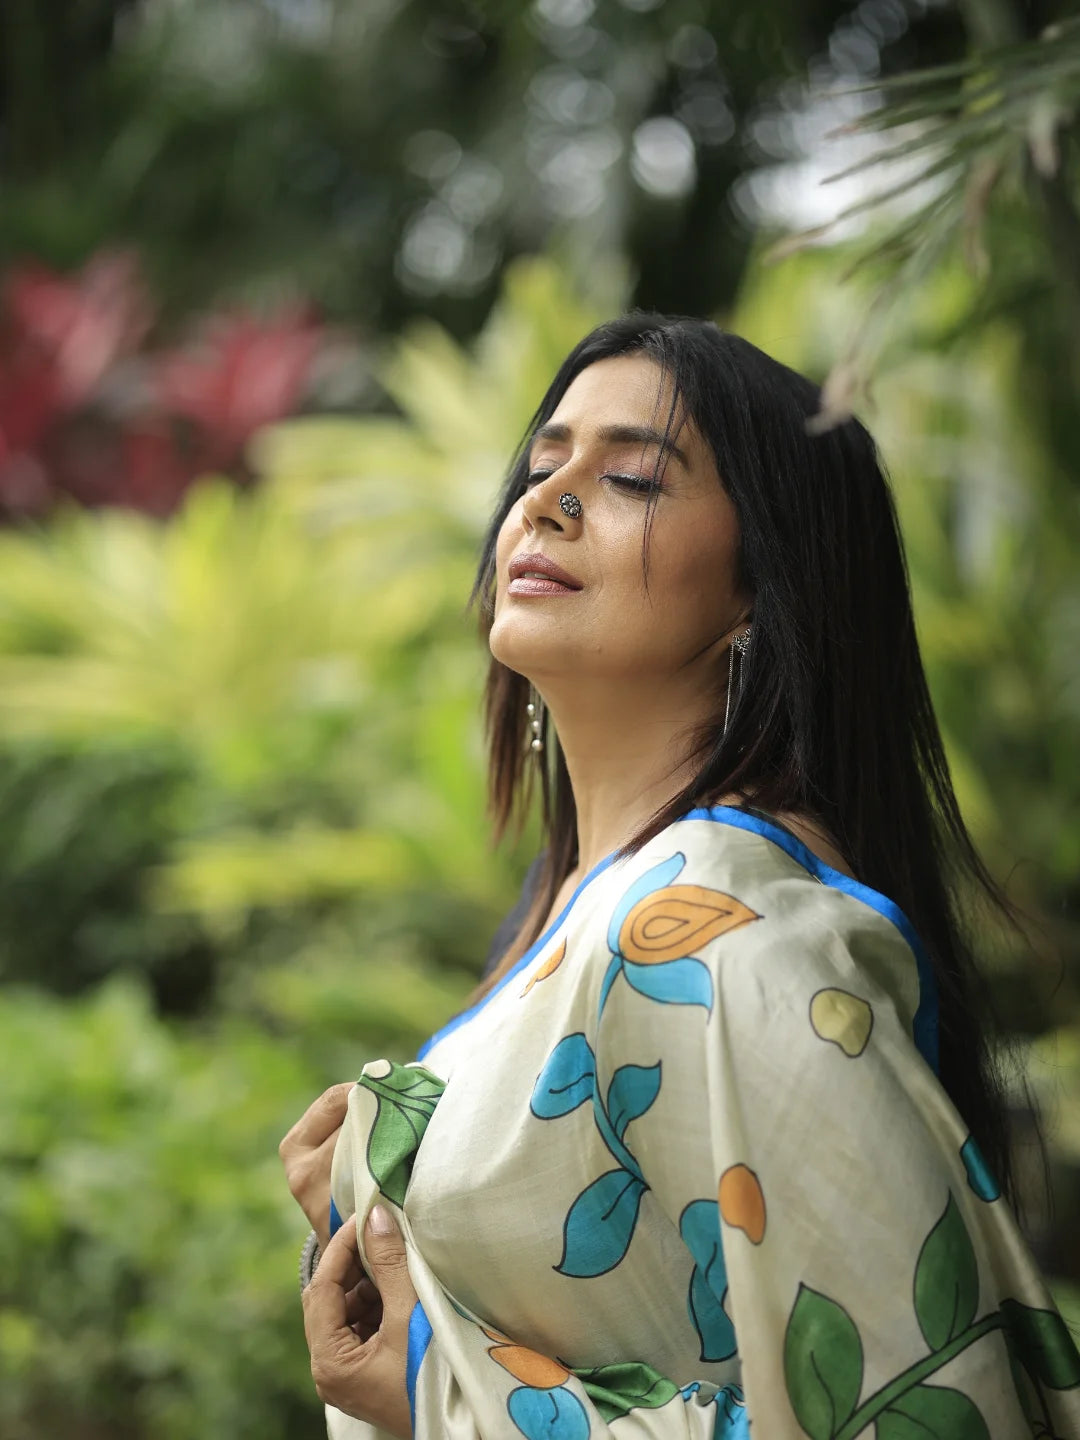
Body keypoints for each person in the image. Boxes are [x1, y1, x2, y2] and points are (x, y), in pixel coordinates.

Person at [279, 315, 1080, 1439]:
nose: (547, 500)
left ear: (764, 582)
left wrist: (441, 1395)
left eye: (634, 479)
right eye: (543, 463)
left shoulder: (723, 929)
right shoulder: (589, 902)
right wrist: (375, 1224)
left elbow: (918, 1412)